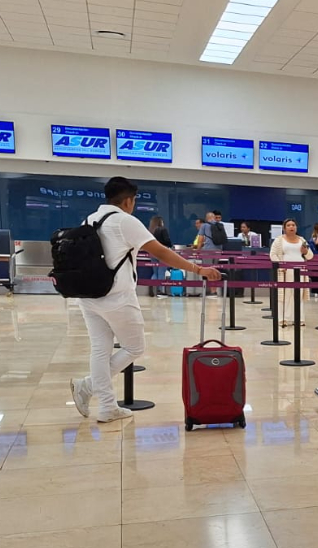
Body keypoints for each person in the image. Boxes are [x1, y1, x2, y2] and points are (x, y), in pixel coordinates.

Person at [70, 177, 221, 423]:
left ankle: (106, 405)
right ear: (129, 200)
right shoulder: (125, 221)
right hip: (117, 297)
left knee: (100, 349)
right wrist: (197, 269)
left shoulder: (90, 219)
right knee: (134, 347)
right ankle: (89, 388)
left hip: (88, 295)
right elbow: (160, 251)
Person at [270, 218, 312, 325]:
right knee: (285, 294)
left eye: (293, 225)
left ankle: (299, 318)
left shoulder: (302, 240)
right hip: (285, 271)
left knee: (299, 294)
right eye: (288, 225)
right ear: (284, 228)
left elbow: (310, 256)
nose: (291, 227)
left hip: (300, 270)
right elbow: (273, 254)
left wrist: (306, 251)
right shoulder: (279, 240)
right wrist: (280, 265)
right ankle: (283, 318)